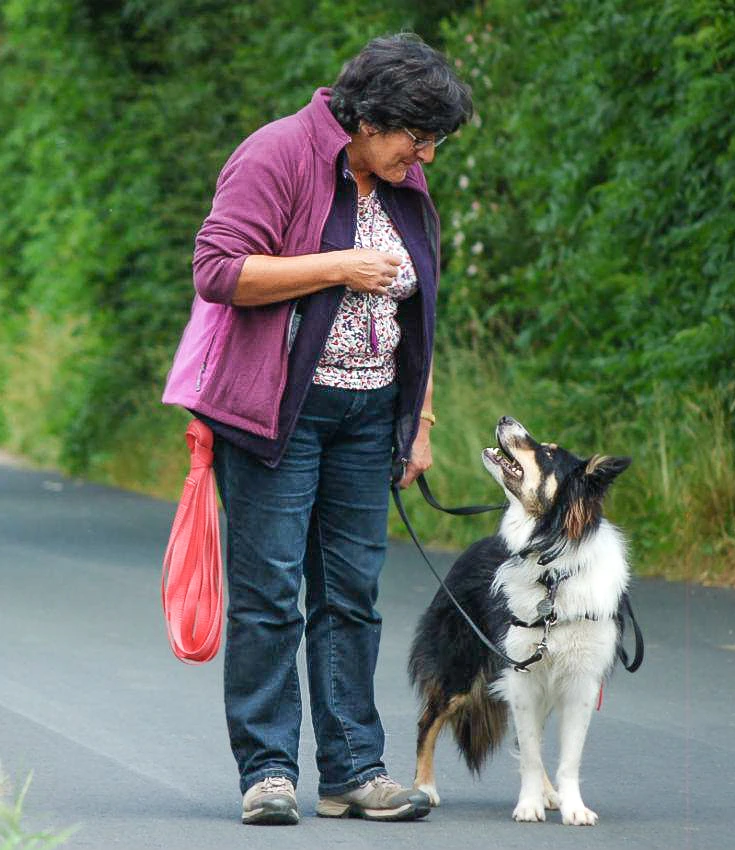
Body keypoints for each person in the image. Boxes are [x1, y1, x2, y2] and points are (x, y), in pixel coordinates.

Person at [162, 33, 473, 825]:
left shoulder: (402, 183)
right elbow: (218, 270)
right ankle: (268, 773)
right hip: (278, 413)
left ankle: (353, 772)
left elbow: (420, 312)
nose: (425, 156)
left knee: (352, 597)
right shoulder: (276, 154)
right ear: (369, 120)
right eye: (417, 137)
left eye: (433, 142)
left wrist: (420, 418)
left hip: (370, 416)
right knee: (270, 595)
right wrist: (338, 264)